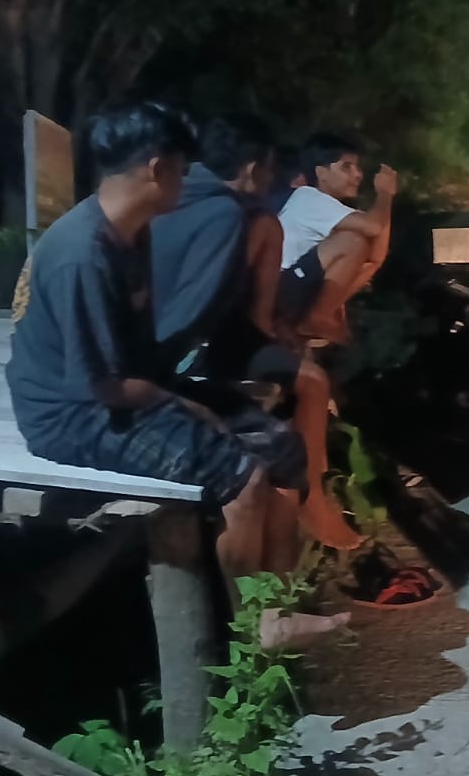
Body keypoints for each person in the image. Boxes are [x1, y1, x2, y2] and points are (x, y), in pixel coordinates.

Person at [6, 102, 347, 648]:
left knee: (282, 447)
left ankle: (278, 600)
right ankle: (256, 627)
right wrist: (188, 405)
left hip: (126, 386)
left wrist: (199, 393)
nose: (189, 184)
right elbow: (97, 384)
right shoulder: (81, 254)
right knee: (242, 476)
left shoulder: (132, 233)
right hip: (72, 414)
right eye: (185, 172)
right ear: (157, 169)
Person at [151, 114, 363, 551]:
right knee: (310, 382)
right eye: (269, 171)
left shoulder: (164, 199)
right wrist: (285, 342)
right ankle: (313, 503)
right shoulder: (253, 220)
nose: (271, 183)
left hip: (148, 350)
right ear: (252, 169)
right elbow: (257, 318)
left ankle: (299, 520)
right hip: (190, 356)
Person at [277, 132, 398, 344]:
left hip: (297, 290)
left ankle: (319, 316)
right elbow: (373, 226)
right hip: (280, 288)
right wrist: (384, 194)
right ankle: (317, 317)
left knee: (365, 256)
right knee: (353, 241)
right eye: (346, 167)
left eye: (357, 168)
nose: (358, 175)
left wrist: (387, 198)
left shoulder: (336, 211)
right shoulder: (307, 196)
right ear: (321, 173)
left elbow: (376, 256)